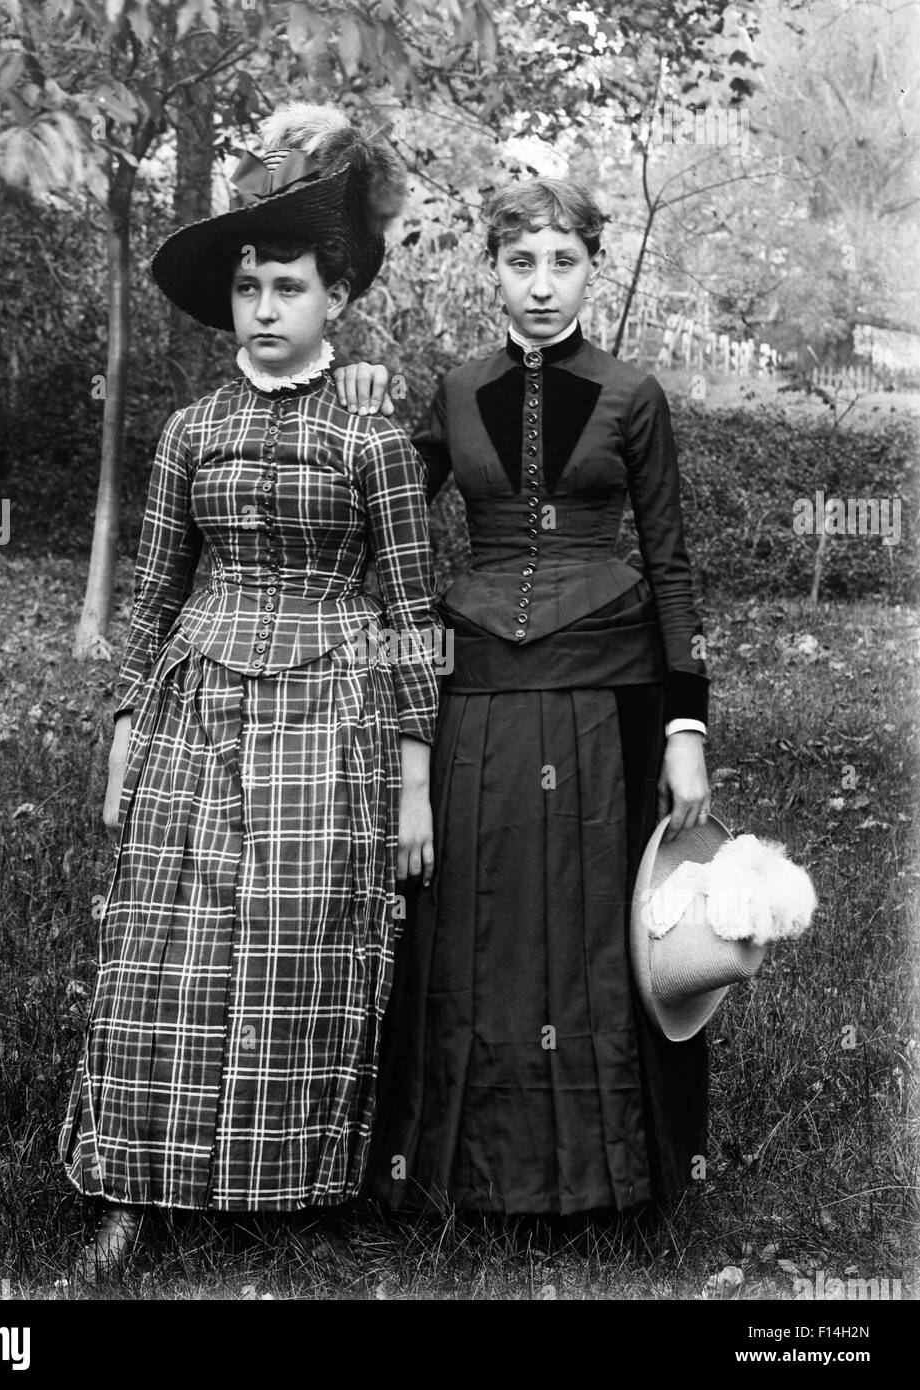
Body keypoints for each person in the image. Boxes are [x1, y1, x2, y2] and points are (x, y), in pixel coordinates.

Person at [59, 103, 439, 1273]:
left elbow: (415, 614)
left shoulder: (372, 437)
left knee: (297, 938)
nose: (265, 311)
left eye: (288, 289)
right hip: (198, 701)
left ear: (337, 299)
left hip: (334, 709)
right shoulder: (189, 432)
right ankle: (136, 1187)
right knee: (164, 942)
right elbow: (157, 587)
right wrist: (125, 722)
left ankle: (280, 1194)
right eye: (247, 291)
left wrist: (415, 781)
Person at [334, 178, 711, 1219]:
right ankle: (462, 1174)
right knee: (477, 915)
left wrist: (688, 730)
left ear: (592, 266)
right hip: (480, 688)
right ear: (491, 269)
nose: (542, 285)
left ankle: (605, 1178)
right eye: (521, 262)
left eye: (563, 262)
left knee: (590, 916)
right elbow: (380, 506)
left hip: (609, 691)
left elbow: (672, 569)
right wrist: (347, 394)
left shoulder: (634, 395)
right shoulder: (455, 389)